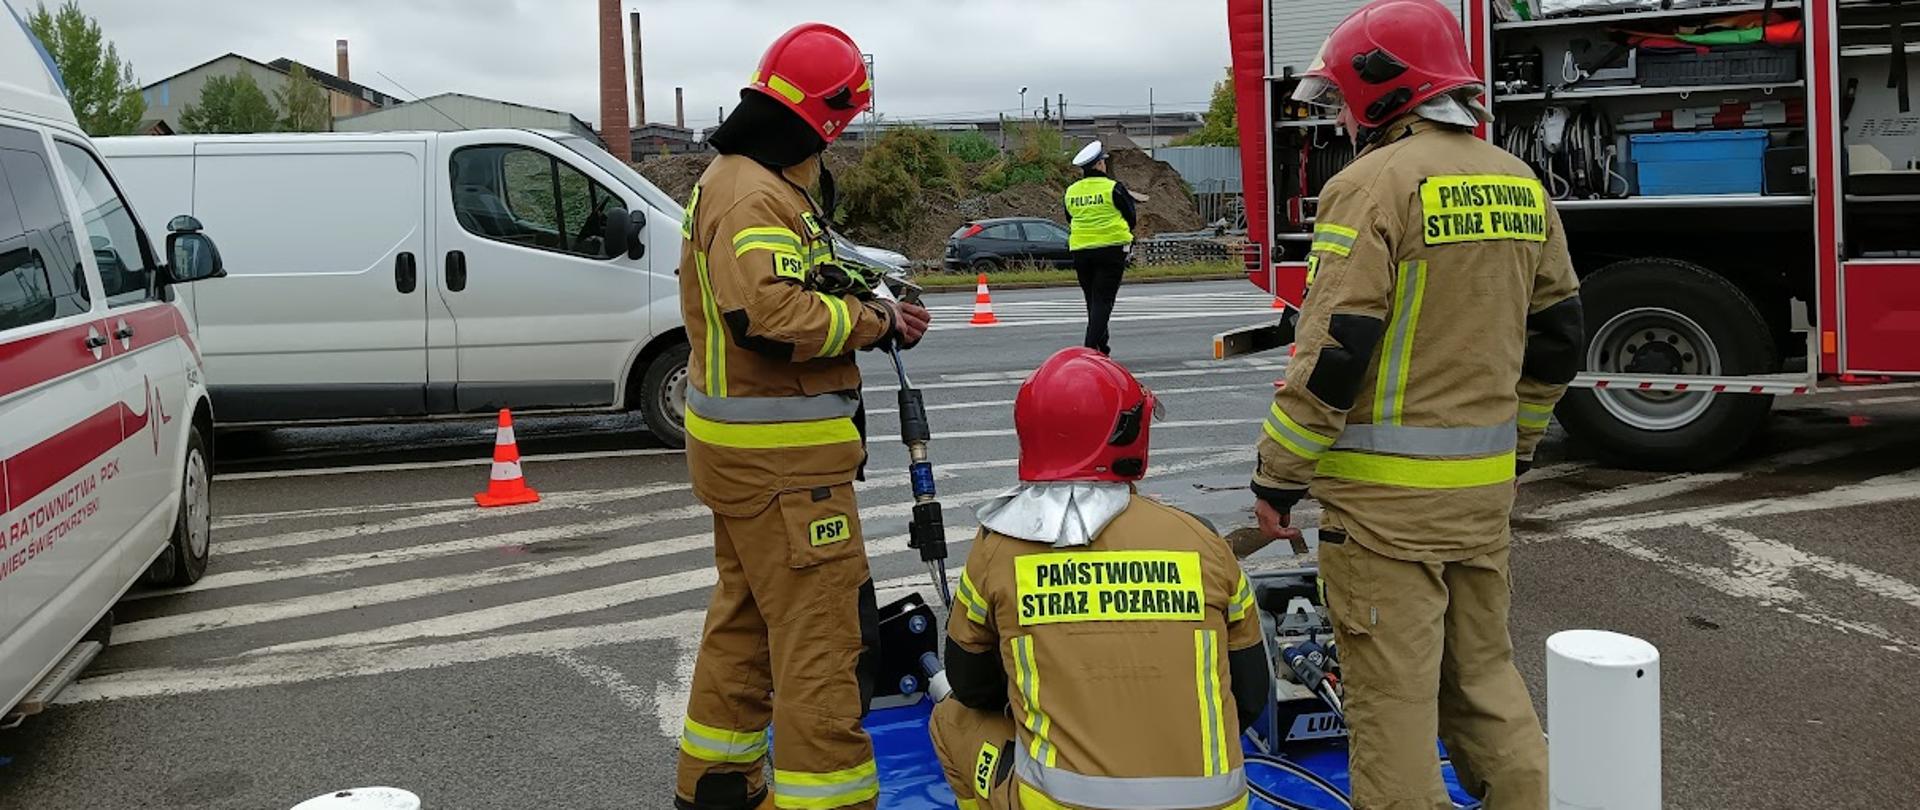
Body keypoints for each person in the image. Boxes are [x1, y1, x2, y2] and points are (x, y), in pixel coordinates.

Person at [1246, 0, 1583, 807]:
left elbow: (1337, 350)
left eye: (1343, 99)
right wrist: (1517, 447)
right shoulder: (1519, 181)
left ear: (1381, 89)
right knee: (1486, 682)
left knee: (1392, 709)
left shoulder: (1370, 186)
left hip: (1384, 516)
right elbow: (1559, 337)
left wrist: (1276, 478)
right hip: (1481, 499)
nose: (1340, 118)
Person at [672, 22, 932, 810]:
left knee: (746, 625)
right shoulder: (755, 192)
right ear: (827, 116)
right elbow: (768, 313)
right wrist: (875, 323)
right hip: (785, 469)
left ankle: (716, 786)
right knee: (823, 642)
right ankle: (830, 798)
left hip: (745, 459)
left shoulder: (739, 177)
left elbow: (786, 280)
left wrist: (867, 296)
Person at [929, 347, 1273, 810]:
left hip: (1059, 803)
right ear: (1130, 434)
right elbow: (1249, 694)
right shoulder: (1201, 541)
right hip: (1213, 803)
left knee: (950, 719)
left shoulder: (999, 547)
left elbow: (971, 685)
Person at [1063, 141, 1138, 355]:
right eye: (1103, 161)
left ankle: (1101, 347)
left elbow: (1069, 218)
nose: (1105, 164)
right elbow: (1131, 217)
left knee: (1093, 300)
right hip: (1111, 249)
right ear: (1098, 165)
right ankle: (1090, 349)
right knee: (1104, 300)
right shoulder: (1113, 188)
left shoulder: (1071, 191)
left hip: (1081, 250)